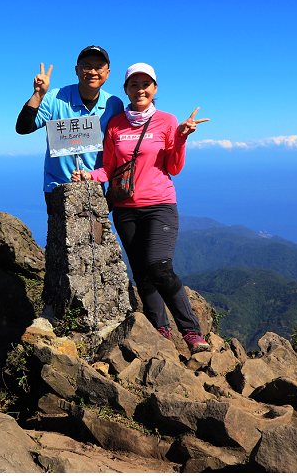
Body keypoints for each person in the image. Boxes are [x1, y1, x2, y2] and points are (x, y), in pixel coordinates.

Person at [70, 62, 211, 354]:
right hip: (125, 208)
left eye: (146, 84)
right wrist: (88, 175)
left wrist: (182, 136)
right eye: (134, 85)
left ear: (155, 89)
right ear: (126, 90)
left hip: (160, 205)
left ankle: (191, 331)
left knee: (159, 266)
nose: (140, 89)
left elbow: (174, 166)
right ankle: (159, 326)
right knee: (141, 272)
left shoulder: (167, 121)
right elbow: (109, 168)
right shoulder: (116, 124)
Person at [16, 46, 124, 215]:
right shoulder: (55, 97)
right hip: (57, 186)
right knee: (60, 238)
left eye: (98, 67)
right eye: (87, 66)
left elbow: (118, 150)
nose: (93, 71)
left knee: (94, 238)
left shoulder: (114, 104)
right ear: (77, 70)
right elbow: (23, 127)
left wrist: (112, 189)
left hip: (94, 184)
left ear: (107, 72)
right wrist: (38, 95)